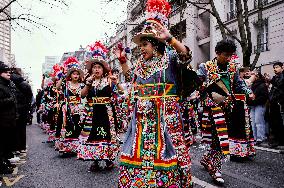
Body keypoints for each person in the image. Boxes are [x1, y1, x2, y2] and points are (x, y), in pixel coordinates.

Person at [115, 0, 193, 187]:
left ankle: (166, 182)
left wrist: (170, 38)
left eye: (145, 44)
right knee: (140, 148)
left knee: (167, 146)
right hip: (143, 115)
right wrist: (123, 61)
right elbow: (130, 79)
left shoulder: (170, 57)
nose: (141, 49)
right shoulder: (141, 63)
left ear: (155, 44)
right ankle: (141, 182)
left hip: (165, 113)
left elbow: (186, 55)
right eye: (140, 45)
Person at [197, 39, 255, 184]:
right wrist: (202, 88)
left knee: (219, 138)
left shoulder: (233, 68)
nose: (228, 58)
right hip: (211, 108)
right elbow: (197, 83)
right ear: (217, 53)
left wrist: (248, 92)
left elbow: (239, 84)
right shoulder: (206, 67)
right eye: (225, 55)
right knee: (219, 138)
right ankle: (215, 169)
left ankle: (207, 159)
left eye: (230, 55)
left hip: (228, 107)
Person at [77, 41, 120, 171]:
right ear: (91, 69)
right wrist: (88, 84)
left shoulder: (109, 80)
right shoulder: (89, 81)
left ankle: (108, 160)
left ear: (103, 69)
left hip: (107, 112)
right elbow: (83, 95)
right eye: (94, 67)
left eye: (99, 67)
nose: (97, 69)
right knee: (93, 135)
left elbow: (121, 92)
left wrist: (116, 84)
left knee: (107, 135)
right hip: (92, 112)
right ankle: (95, 160)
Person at [54, 58, 84, 155]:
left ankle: (77, 147)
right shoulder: (66, 84)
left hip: (79, 108)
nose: (75, 75)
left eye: (77, 74)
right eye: (73, 74)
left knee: (78, 127)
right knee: (67, 127)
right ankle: (66, 147)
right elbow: (56, 88)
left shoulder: (82, 85)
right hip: (67, 108)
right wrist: (62, 77)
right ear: (70, 75)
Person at [0, 62, 17, 174]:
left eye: (9, 71)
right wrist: (10, 100)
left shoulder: (7, 84)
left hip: (8, 118)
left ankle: (5, 161)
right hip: (2, 119)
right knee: (1, 143)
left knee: (5, 143)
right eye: (5, 72)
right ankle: (2, 166)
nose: (8, 73)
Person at [10, 68, 33, 153]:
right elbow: (30, 95)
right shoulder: (23, 82)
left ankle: (15, 148)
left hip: (12, 107)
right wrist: (27, 104)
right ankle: (22, 147)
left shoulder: (9, 81)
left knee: (14, 128)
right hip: (23, 107)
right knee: (22, 128)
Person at [248, 71, 269, 145]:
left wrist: (253, 101)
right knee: (253, 121)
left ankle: (260, 137)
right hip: (253, 105)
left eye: (253, 75)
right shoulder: (253, 85)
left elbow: (264, 97)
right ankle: (255, 138)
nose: (251, 76)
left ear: (257, 77)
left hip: (259, 105)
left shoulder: (262, 85)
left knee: (258, 121)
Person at [268, 62, 284, 147]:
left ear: (282, 67)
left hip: (279, 103)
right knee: (274, 123)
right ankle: (277, 140)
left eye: (277, 67)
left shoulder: (282, 77)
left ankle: (280, 140)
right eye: (274, 68)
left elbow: (280, 88)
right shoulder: (275, 77)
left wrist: (271, 81)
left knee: (279, 122)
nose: (275, 69)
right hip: (273, 103)